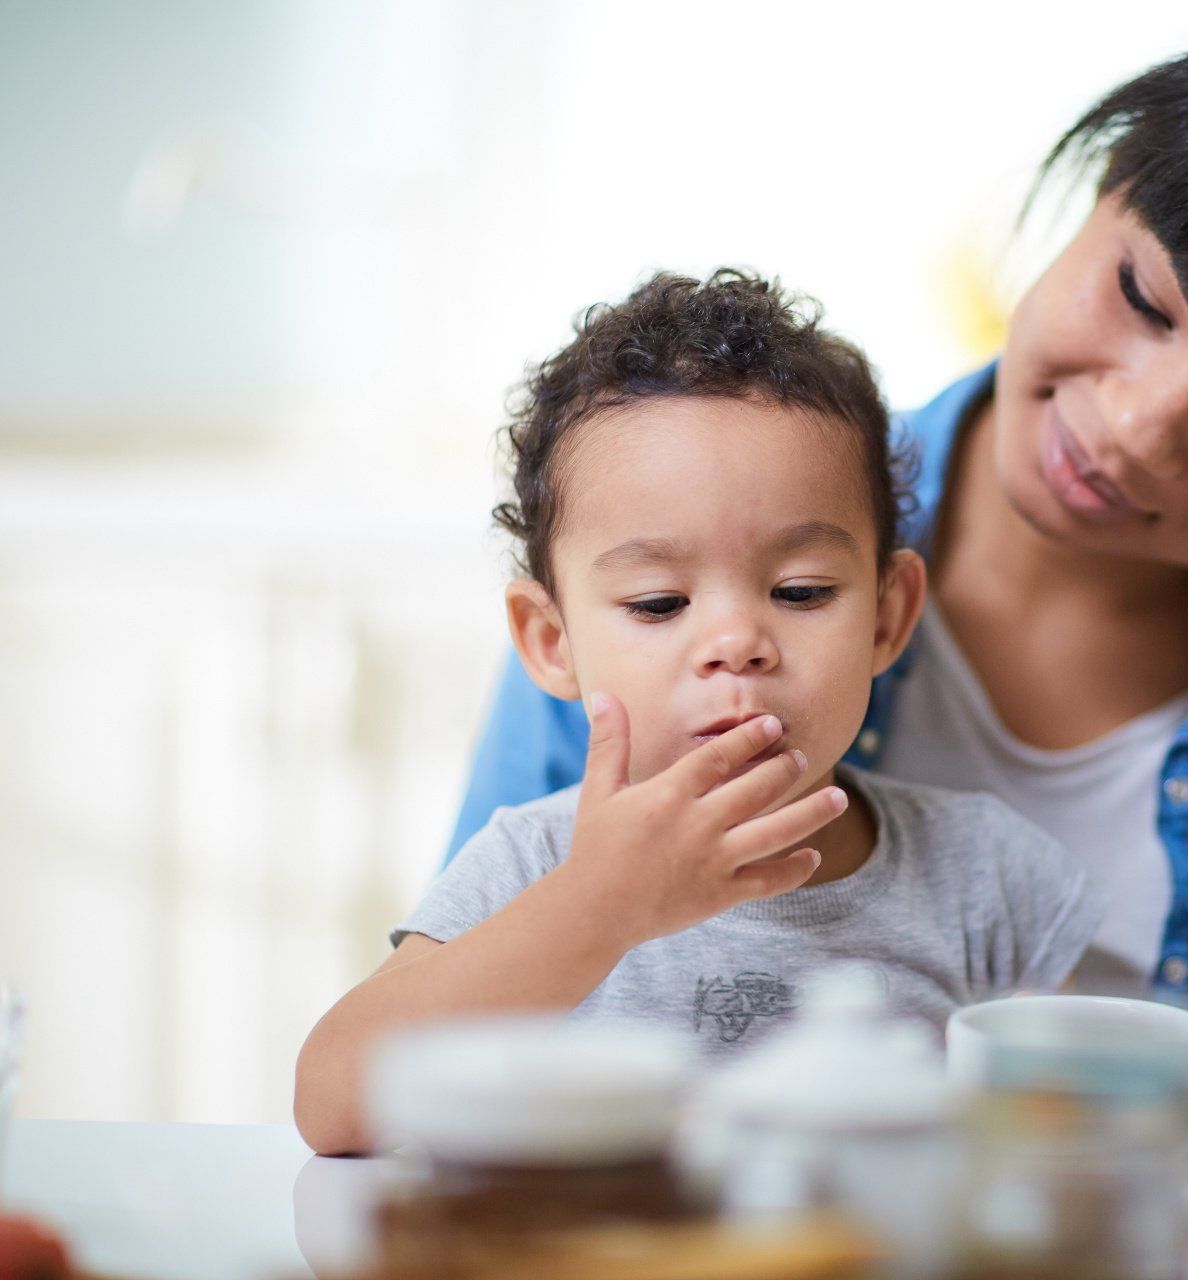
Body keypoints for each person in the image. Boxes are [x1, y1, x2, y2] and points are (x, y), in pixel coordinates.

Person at [450, 0, 1188, 1081]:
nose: (1136, 428)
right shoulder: (668, 560)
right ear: (1111, 178)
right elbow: (455, 1047)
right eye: (1145, 299)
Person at [294, 271, 1099, 1156]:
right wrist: (598, 905)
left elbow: (1072, 1149)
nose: (736, 641)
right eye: (656, 602)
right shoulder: (534, 865)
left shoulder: (984, 875)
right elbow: (333, 1107)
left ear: (887, 616)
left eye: (800, 590)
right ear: (551, 641)